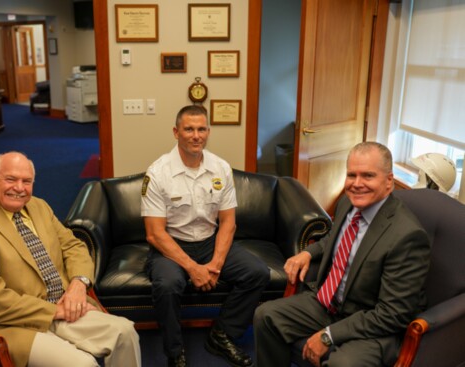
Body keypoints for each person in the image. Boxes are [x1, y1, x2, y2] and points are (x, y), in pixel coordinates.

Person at [0, 152, 141, 367]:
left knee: (125, 332)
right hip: (11, 323)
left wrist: (79, 284)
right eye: (11, 179)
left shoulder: (39, 206)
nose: (19, 188)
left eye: (27, 181)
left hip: (62, 302)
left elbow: (73, 246)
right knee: (83, 364)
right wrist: (56, 311)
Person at [253, 142, 431, 367]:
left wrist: (329, 335)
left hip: (372, 321)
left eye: (368, 176)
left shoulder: (407, 236)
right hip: (330, 303)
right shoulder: (347, 202)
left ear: (389, 181)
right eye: (351, 175)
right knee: (266, 316)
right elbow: (335, 239)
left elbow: (393, 314)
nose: (357, 184)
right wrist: (308, 253)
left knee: (343, 365)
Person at [141, 105, 270, 367]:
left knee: (257, 272)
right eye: (189, 129)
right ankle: (174, 352)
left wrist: (215, 265)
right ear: (176, 132)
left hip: (209, 242)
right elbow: (155, 234)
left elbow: (228, 223)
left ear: (208, 132)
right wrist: (192, 268)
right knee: (167, 285)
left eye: (201, 129)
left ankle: (222, 335)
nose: (196, 135)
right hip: (172, 245)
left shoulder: (220, 168)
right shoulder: (157, 172)